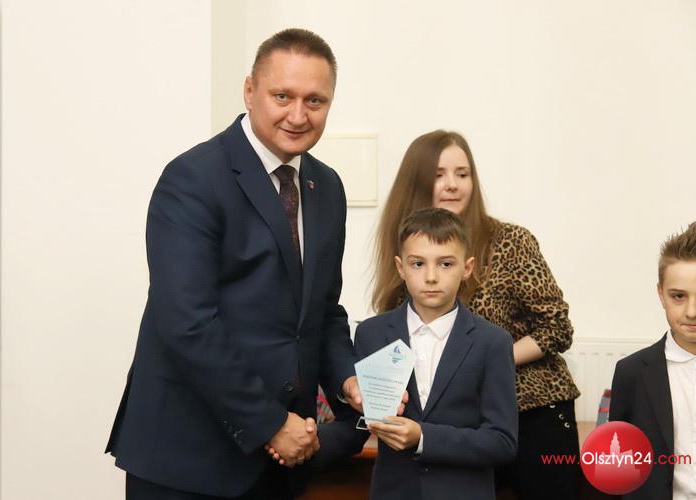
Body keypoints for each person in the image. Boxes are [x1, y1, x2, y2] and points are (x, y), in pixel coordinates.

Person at [106, 28, 362, 500]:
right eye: (282, 96)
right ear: (249, 90)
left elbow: (323, 311)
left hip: (279, 467)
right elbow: (188, 325)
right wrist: (270, 423)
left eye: (315, 100)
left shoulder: (327, 187)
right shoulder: (192, 179)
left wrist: (350, 380)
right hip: (187, 461)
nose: (298, 115)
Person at [372, 130, 581, 499]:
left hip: (534, 413)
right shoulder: (407, 246)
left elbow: (557, 327)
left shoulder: (512, 240)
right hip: (453, 424)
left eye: (463, 173)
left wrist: (489, 361)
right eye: (439, 174)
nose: (452, 184)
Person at [326, 207, 517, 499]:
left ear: (467, 268)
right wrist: (312, 440)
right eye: (417, 264)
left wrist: (424, 437)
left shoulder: (493, 343)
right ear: (400, 267)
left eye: (445, 264)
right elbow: (359, 421)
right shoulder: (372, 334)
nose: (431, 276)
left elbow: (502, 442)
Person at [609, 222, 696, 500]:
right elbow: (620, 469)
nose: (691, 311)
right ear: (661, 294)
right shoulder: (632, 373)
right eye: (678, 296)